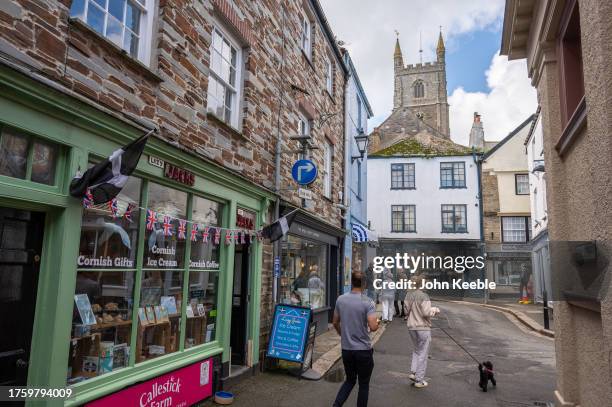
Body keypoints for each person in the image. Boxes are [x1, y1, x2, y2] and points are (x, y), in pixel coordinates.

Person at [332, 271, 379, 407]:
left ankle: (336, 405)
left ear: (351, 282)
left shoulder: (340, 299)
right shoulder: (368, 302)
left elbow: (335, 322)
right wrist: (377, 323)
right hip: (363, 350)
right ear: (364, 284)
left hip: (347, 349)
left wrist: (342, 335)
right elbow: (373, 326)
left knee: (350, 380)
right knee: (363, 384)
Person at [404, 274, 440, 388]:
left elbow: (406, 311)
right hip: (422, 327)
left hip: (411, 326)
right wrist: (434, 310)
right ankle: (419, 380)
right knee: (423, 353)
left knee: (416, 350)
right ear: (422, 284)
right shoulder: (424, 296)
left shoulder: (408, 295)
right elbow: (426, 312)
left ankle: (414, 372)